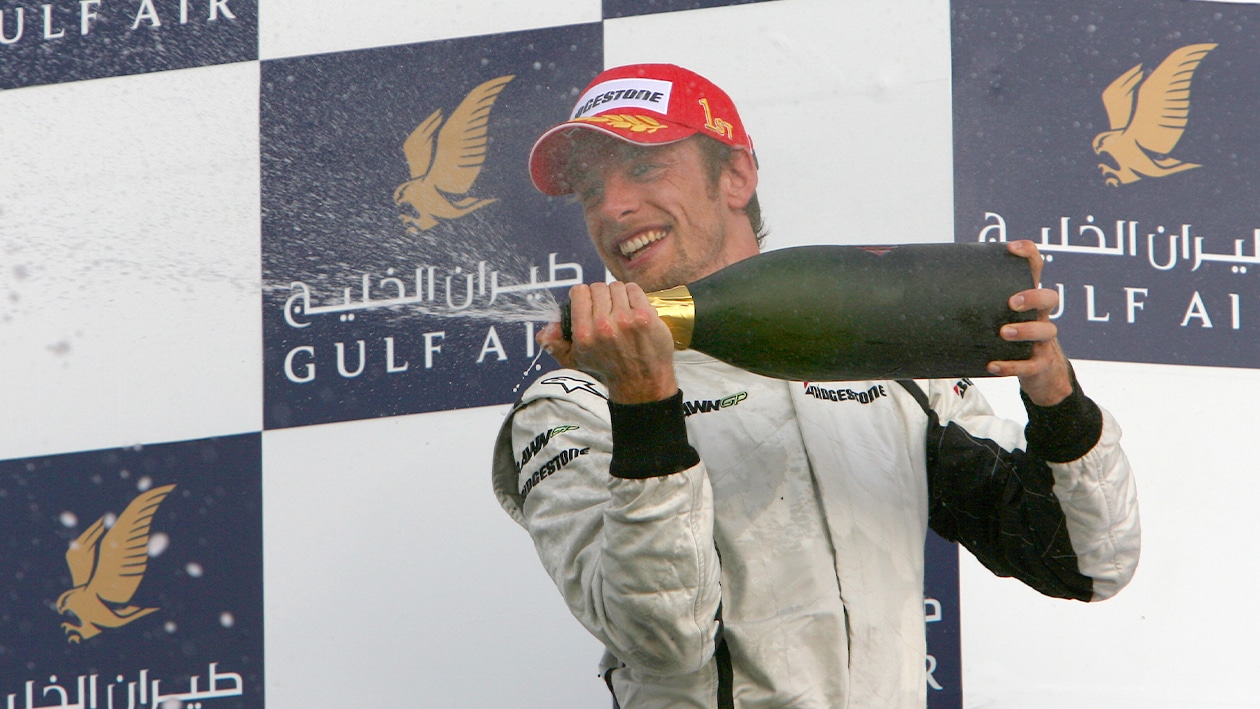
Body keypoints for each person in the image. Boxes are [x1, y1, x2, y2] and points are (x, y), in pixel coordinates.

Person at [491, 63, 1139, 709]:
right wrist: (646, 402)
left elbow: (1086, 560)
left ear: (737, 175)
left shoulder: (884, 363)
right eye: (590, 191)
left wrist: (1057, 403)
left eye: (643, 167)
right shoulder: (573, 405)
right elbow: (660, 639)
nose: (612, 206)